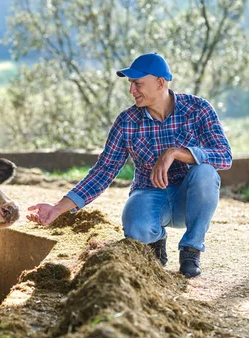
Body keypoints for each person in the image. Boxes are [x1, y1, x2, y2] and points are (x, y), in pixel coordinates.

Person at [26, 52, 232, 278]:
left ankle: (191, 250)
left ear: (160, 83)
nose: (131, 90)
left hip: (189, 200)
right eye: (131, 84)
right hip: (150, 196)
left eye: (138, 83)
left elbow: (224, 156)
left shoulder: (198, 109)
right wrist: (57, 209)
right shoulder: (127, 122)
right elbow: (103, 172)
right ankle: (154, 241)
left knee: (206, 173)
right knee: (136, 225)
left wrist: (174, 153)